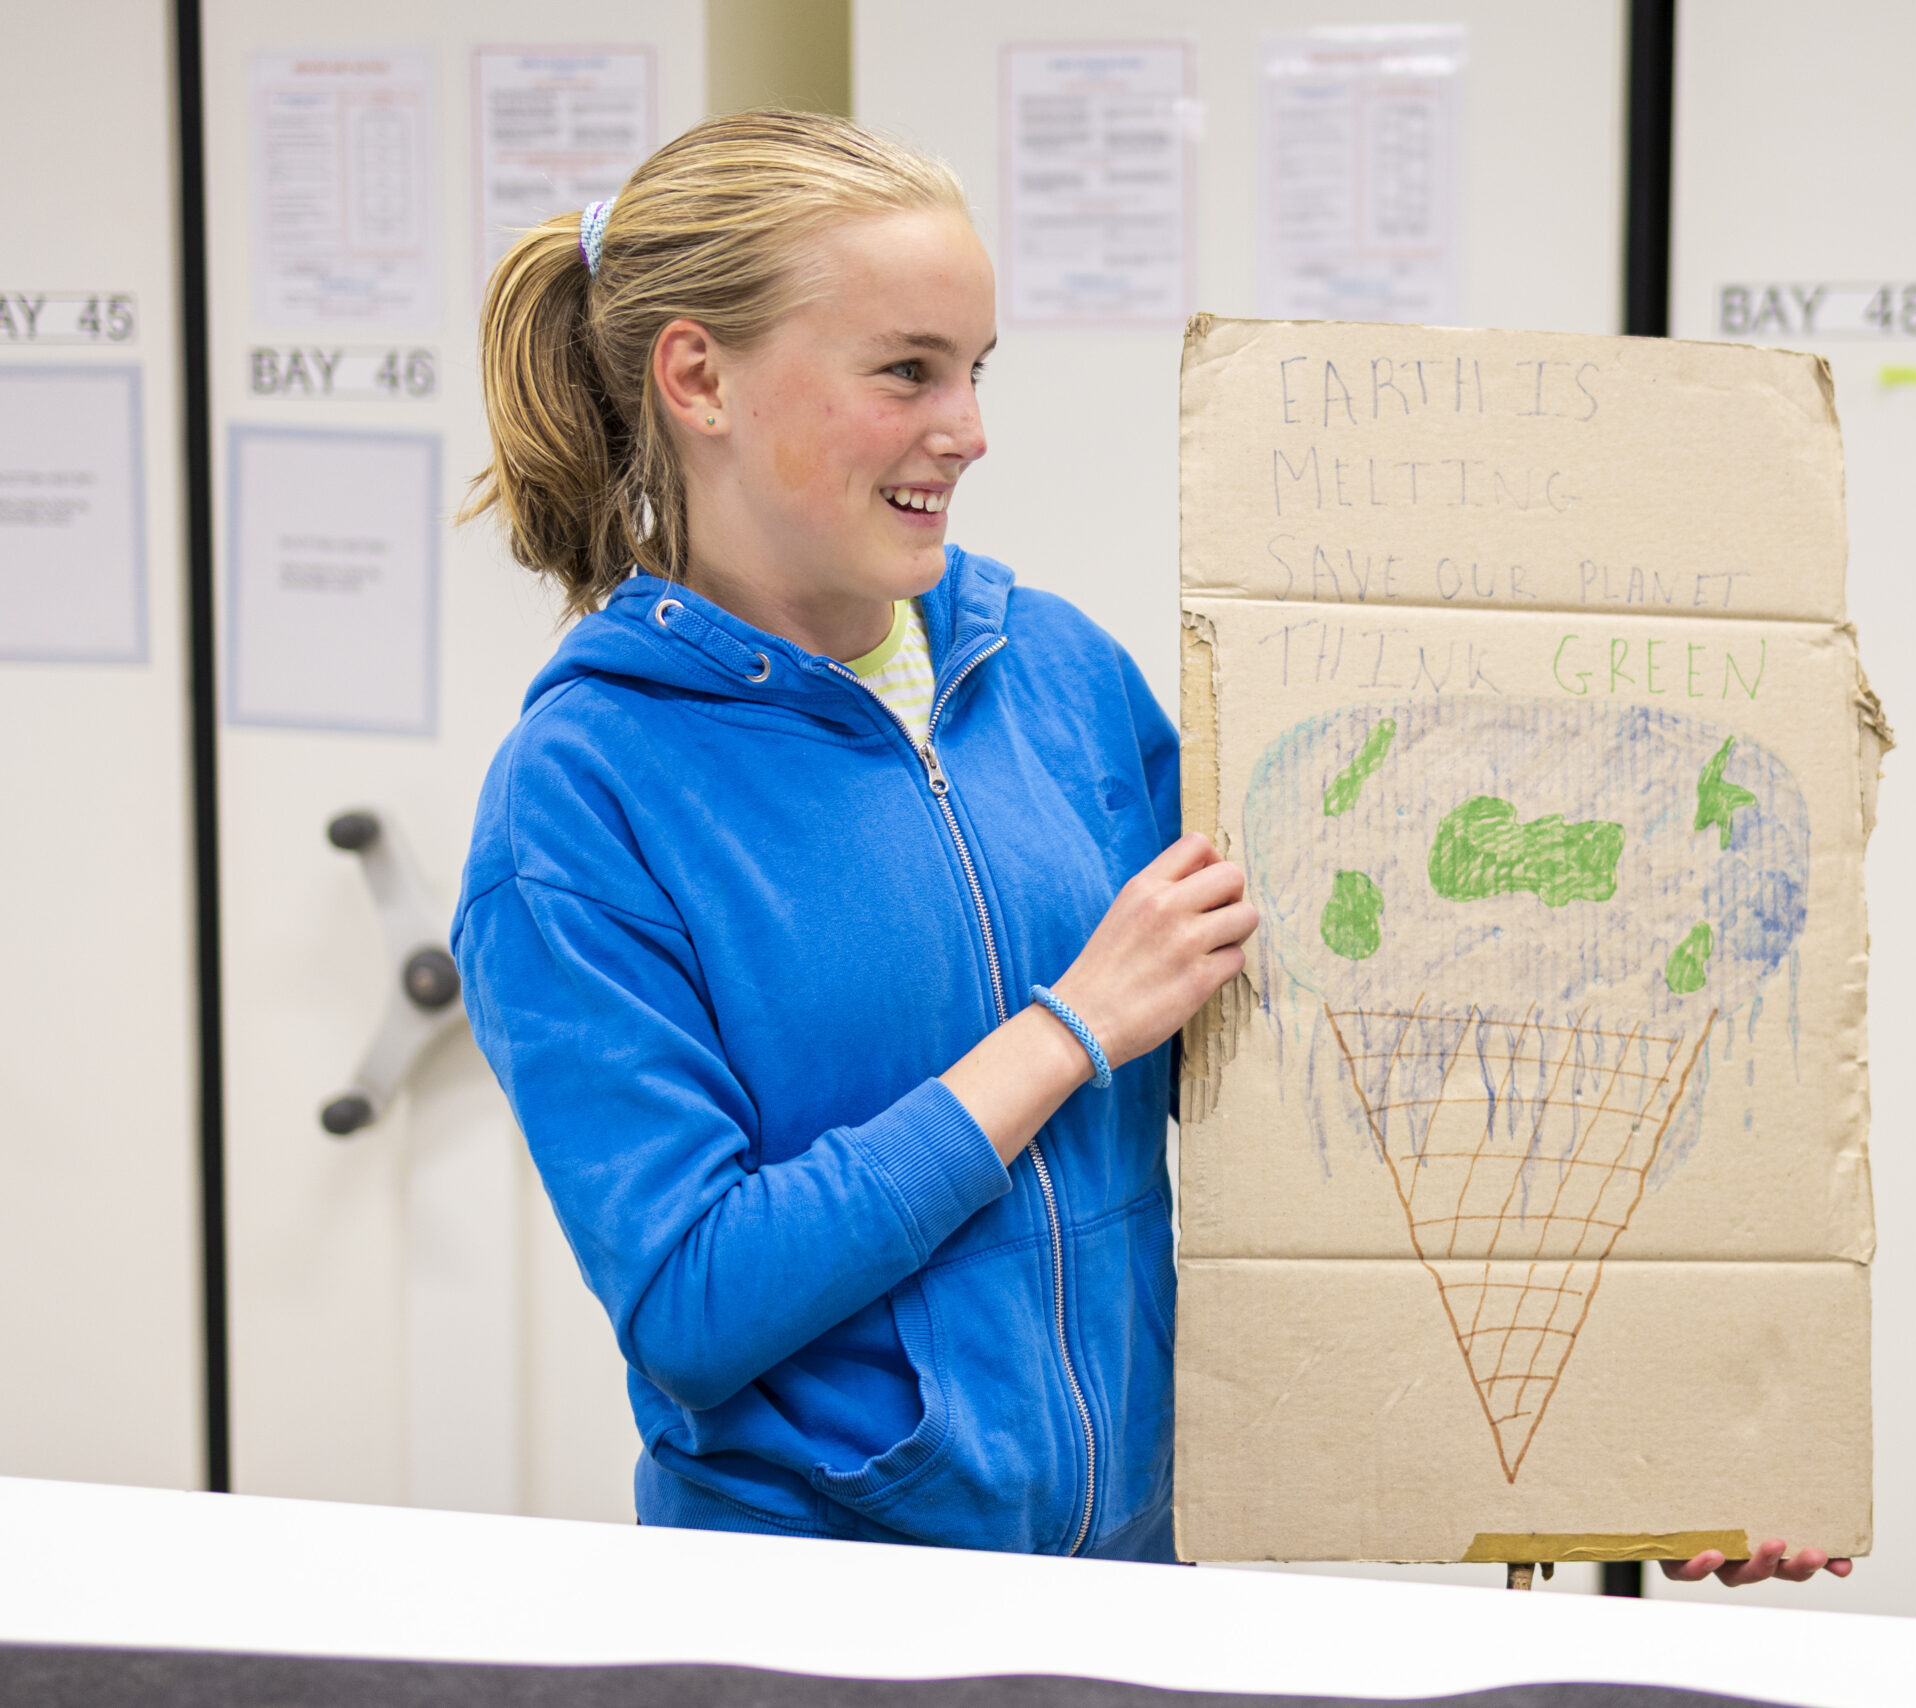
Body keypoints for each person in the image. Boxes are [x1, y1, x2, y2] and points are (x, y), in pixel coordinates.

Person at [456, 109, 1845, 1586]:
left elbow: (1330, 1059)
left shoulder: (1052, 671)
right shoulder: (583, 800)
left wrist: (1635, 1455)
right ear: (698, 376)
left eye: (976, 372)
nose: (970, 430)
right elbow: (693, 1296)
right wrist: (1067, 1031)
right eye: (907, 371)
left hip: (1138, 1585)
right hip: (817, 1607)